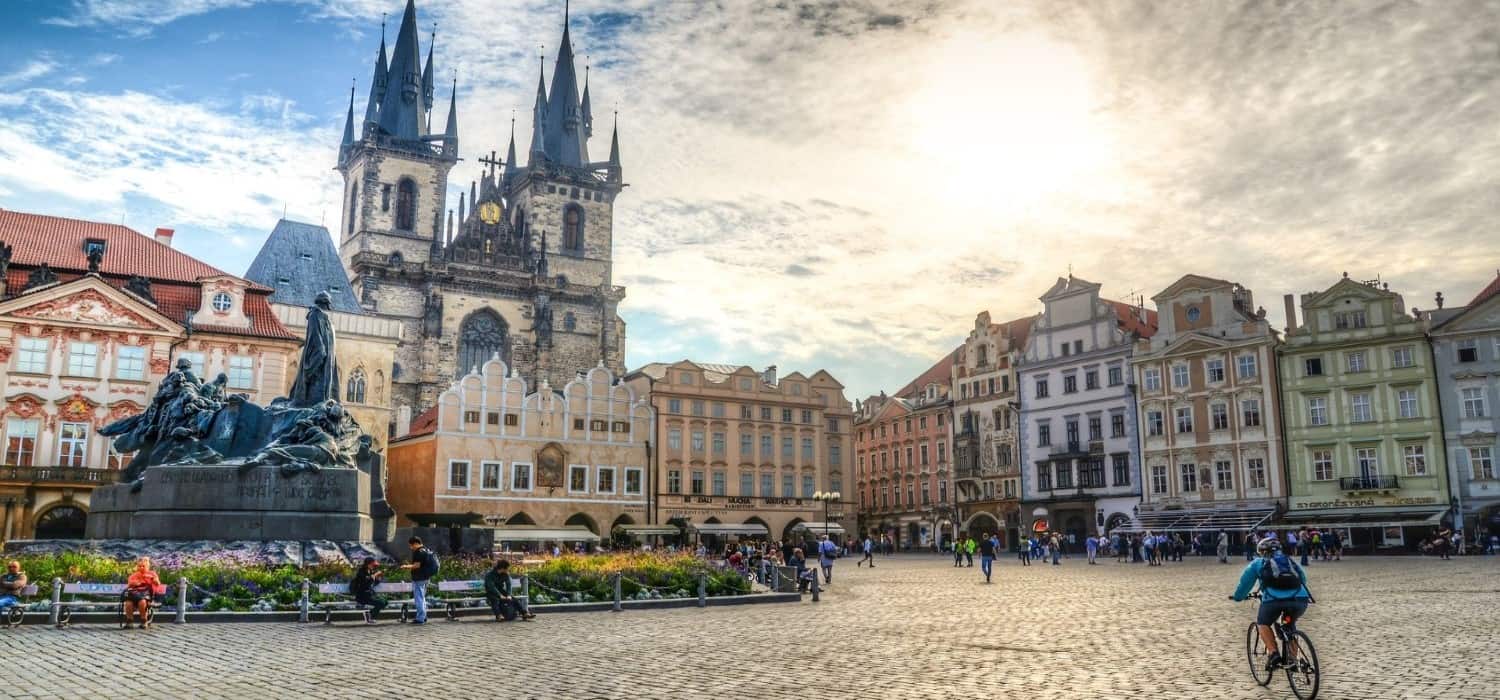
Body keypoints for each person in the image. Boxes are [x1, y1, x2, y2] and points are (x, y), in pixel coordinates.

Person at [1230, 538, 1313, 672]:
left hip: (1273, 601)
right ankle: (1293, 659)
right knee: (1289, 625)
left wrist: (1239, 597)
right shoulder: (1289, 561)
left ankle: (1274, 654)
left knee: (1263, 623)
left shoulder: (1258, 563)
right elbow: (1302, 578)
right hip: (1299, 600)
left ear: (1261, 552)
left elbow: (1245, 583)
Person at [399, 536, 439, 624]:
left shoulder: (419, 552)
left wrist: (406, 566)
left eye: (411, 545)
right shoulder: (427, 550)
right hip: (426, 577)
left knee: (419, 598)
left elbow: (417, 565)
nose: (411, 547)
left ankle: (420, 618)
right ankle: (423, 616)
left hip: (419, 578)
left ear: (416, 543)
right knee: (422, 597)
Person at [123, 557, 162, 629]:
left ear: (148, 566)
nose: (141, 568)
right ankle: (129, 621)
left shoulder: (152, 574)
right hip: (134, 595)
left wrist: (153, 580)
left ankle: (143, 620)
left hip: (146, 596)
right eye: (139, 566)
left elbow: (157, 584)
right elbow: (129, 586)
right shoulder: (134, 575)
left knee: (142, 602)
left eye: (143, 566)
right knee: (128, 603)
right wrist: (134, 583)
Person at [349, 557, 387, 623]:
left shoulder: (370, 571)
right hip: (362, 595)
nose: (374, 566)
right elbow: (365, 582)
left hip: (368, 594)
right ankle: (370, 616)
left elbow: (373, 582)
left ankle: (369, 614)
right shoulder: (361, 572)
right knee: (381, 603)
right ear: (368, 564)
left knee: (385, 602)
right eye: (373, 565)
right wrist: (375, 575)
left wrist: (379, 577)